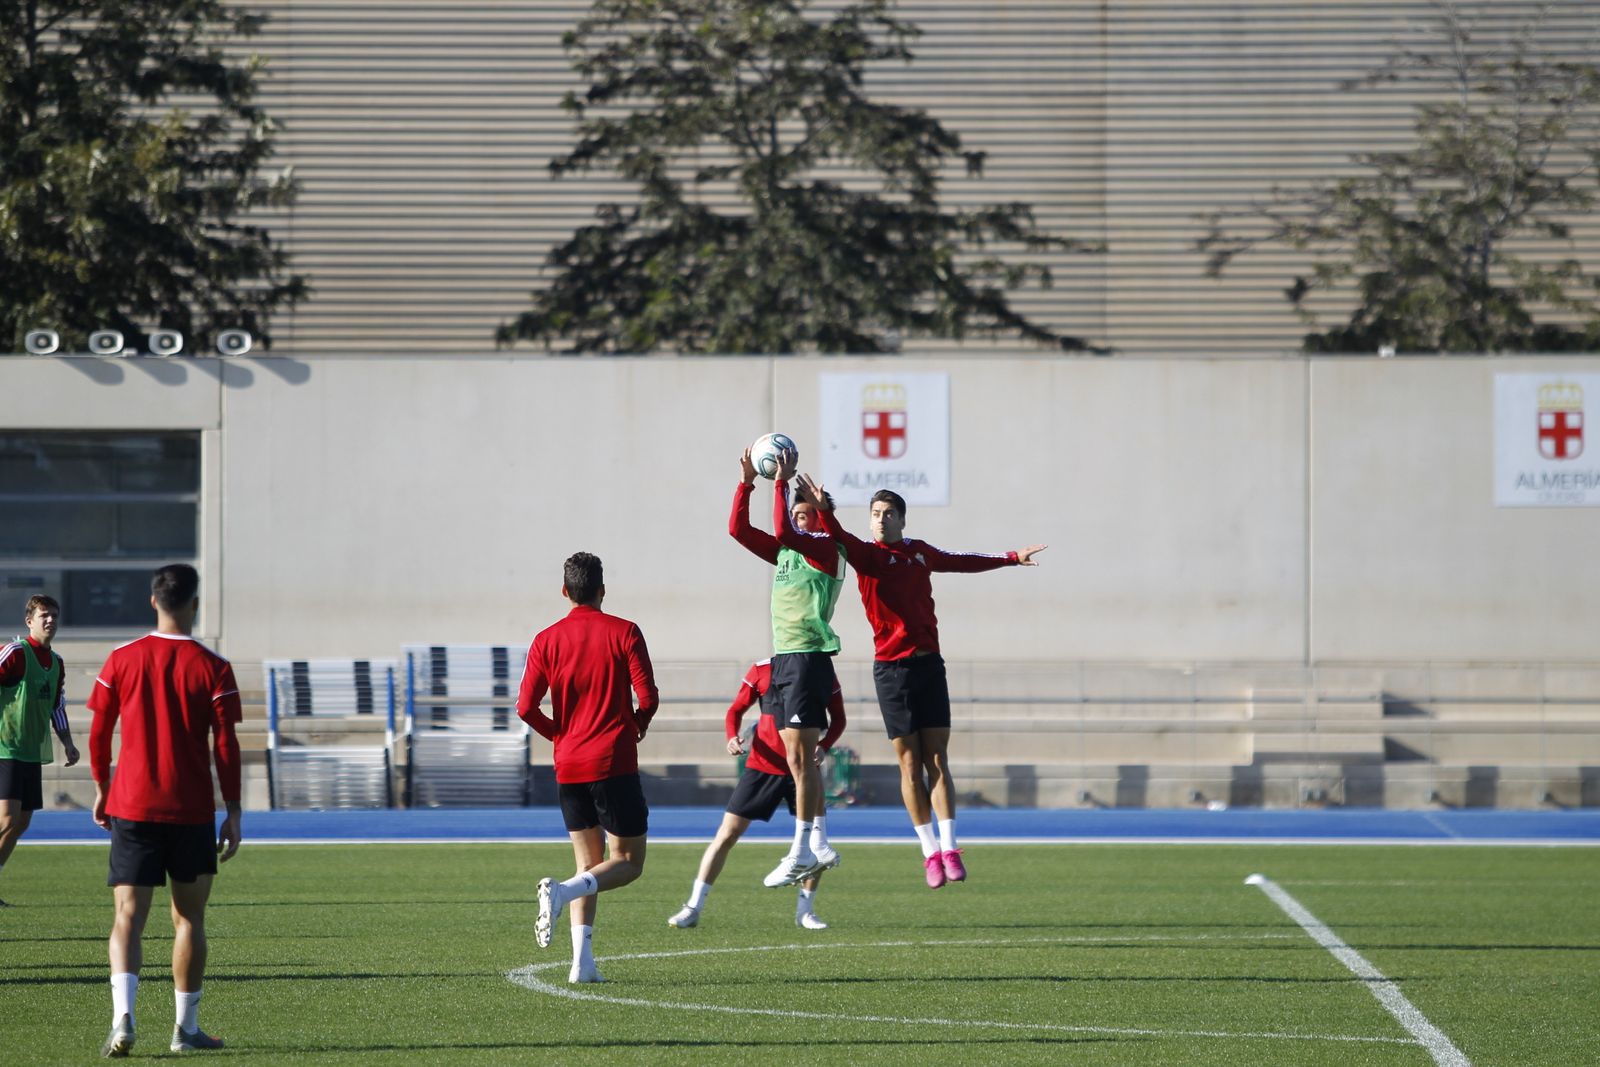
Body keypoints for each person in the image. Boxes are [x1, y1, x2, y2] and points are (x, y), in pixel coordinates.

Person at [797, 477, 1045, 889]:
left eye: (888, 514)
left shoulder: (918, 552)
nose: (881, 520)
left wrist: (1010, 558)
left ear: (902, 520)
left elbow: (960, 560)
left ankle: (950, 848)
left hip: (929, 665)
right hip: (891, 671)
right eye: (875, 514)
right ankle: (930, 852)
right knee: (909, 764)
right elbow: (837, 535)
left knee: (938, 760)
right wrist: (824, 510)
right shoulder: (866, 555)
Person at [87, 564, 243, 1057]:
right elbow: (226, 746)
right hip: (190, 809)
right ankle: (185, 1029)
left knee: (128, 917)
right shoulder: (214, 667)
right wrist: (234, 810)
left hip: (132, 804)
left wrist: (102, 786)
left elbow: (98, 733)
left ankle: (123, 1018)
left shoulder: (121, 658)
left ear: (153, 601)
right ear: (195, 603)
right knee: (189, 919)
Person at [522, 552, 659, 984]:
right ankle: (561, 892)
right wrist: (637, 725)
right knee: (628, 862)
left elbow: (525, 707)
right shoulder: (625, 631)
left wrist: (559, 736)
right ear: (602, 590)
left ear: (565, 591)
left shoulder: (545, 639)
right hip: (612, 761)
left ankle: (581, 964)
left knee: (589, 864)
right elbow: (648, 697)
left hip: (569, 765)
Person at [729, 446, 846, 887]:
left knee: (800, 760)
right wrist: (746, 483)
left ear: (822, 518)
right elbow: (738, 530)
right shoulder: (786, 551)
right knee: (798, 759)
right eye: (796, 513)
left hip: (808, 657)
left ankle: (803, 850)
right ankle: (816, 844)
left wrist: (780, 481)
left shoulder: (827, 549)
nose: (798, 520)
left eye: (807, 513)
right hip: (785, 660)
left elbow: (781, 528)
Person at [667, 659, 846, 931]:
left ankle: (805, 911)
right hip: (763, 767)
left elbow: (839, 718)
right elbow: (736, 709)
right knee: (726, 834)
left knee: (816, 844)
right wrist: (731, 736)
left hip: (804, 770)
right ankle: (693, 907)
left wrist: (824, 745)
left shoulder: (819, 671)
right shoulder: (762, 669)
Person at [0, 594, 81, 905]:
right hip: (5, 747)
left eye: (54, 615)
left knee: (21, 822)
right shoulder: (15, 652)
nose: (50, 620)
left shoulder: (56, 662)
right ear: (29, 621)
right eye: (44, 615)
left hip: (31, 750)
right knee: (7, 819)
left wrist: (68, 742)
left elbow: (56, 705)